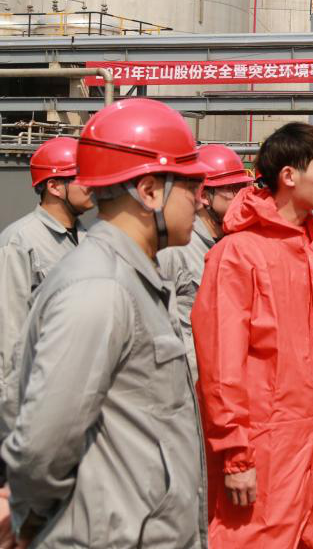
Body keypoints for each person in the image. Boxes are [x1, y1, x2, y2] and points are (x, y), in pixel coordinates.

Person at [1, 98, 210, 547]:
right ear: (149, 191)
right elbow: (42, 445)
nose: (200, 199)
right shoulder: (102, 287)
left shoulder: (134, 277)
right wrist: (33, 520)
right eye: (191, 184)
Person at [193, 122, 313, 548]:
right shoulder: (238, 254)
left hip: (305, 442)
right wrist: (236, 456)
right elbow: (221, 366)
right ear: (289, 176)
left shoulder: (311, 248)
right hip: (262, 445)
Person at [0, 137, 93, 437]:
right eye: (81, 177)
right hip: (40, 397)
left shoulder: (90, 239)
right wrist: (13, 418)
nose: (91, 184)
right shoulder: (20, 241)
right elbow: (10, 333)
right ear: (54, 186)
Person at [158, 143, 253, 379]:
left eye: (243, 187)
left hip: (230, 374)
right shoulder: (176, 250)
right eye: (231, 188)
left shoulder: (238, 245)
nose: (241, 196)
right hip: (191, 378)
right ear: (204, 195)